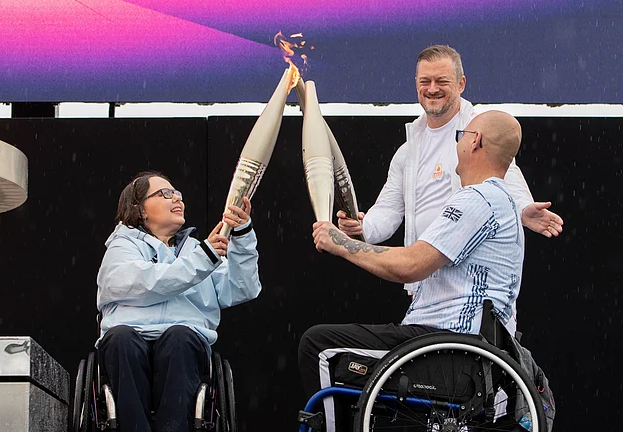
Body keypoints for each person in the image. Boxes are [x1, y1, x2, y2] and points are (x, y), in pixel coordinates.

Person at [299, 110, 529, 431]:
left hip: (448, 352)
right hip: (458, 353)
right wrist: (359, 230)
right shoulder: (497, 200)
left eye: (460, 135)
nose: (456, 142)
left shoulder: (479, 199)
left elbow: (411, 265)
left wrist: (339, 244)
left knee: (318, 346)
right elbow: (391, 223)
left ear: (474, 142)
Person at [337, 44, 563, 296]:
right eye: (425, 81)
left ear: (461, 84)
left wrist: (522, 209)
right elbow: (388, 210)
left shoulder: (479, 132)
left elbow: (505, 173)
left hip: (471, 290)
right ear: (416, 84)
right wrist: (362, 227)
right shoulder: (407, 151)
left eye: (441, 81)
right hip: (424, 291)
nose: (432, 89)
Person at [96, 171, 262, 432]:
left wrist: (242, 236)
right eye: (165, 194)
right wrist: (203, 259)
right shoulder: (121, 246)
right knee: (121, 339)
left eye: (178, 194)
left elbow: (243, 288)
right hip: (129, 339)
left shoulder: (197, 250)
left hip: (183, 343)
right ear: (140, 210)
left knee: (179, 337)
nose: (177, 199)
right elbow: (145, 283)